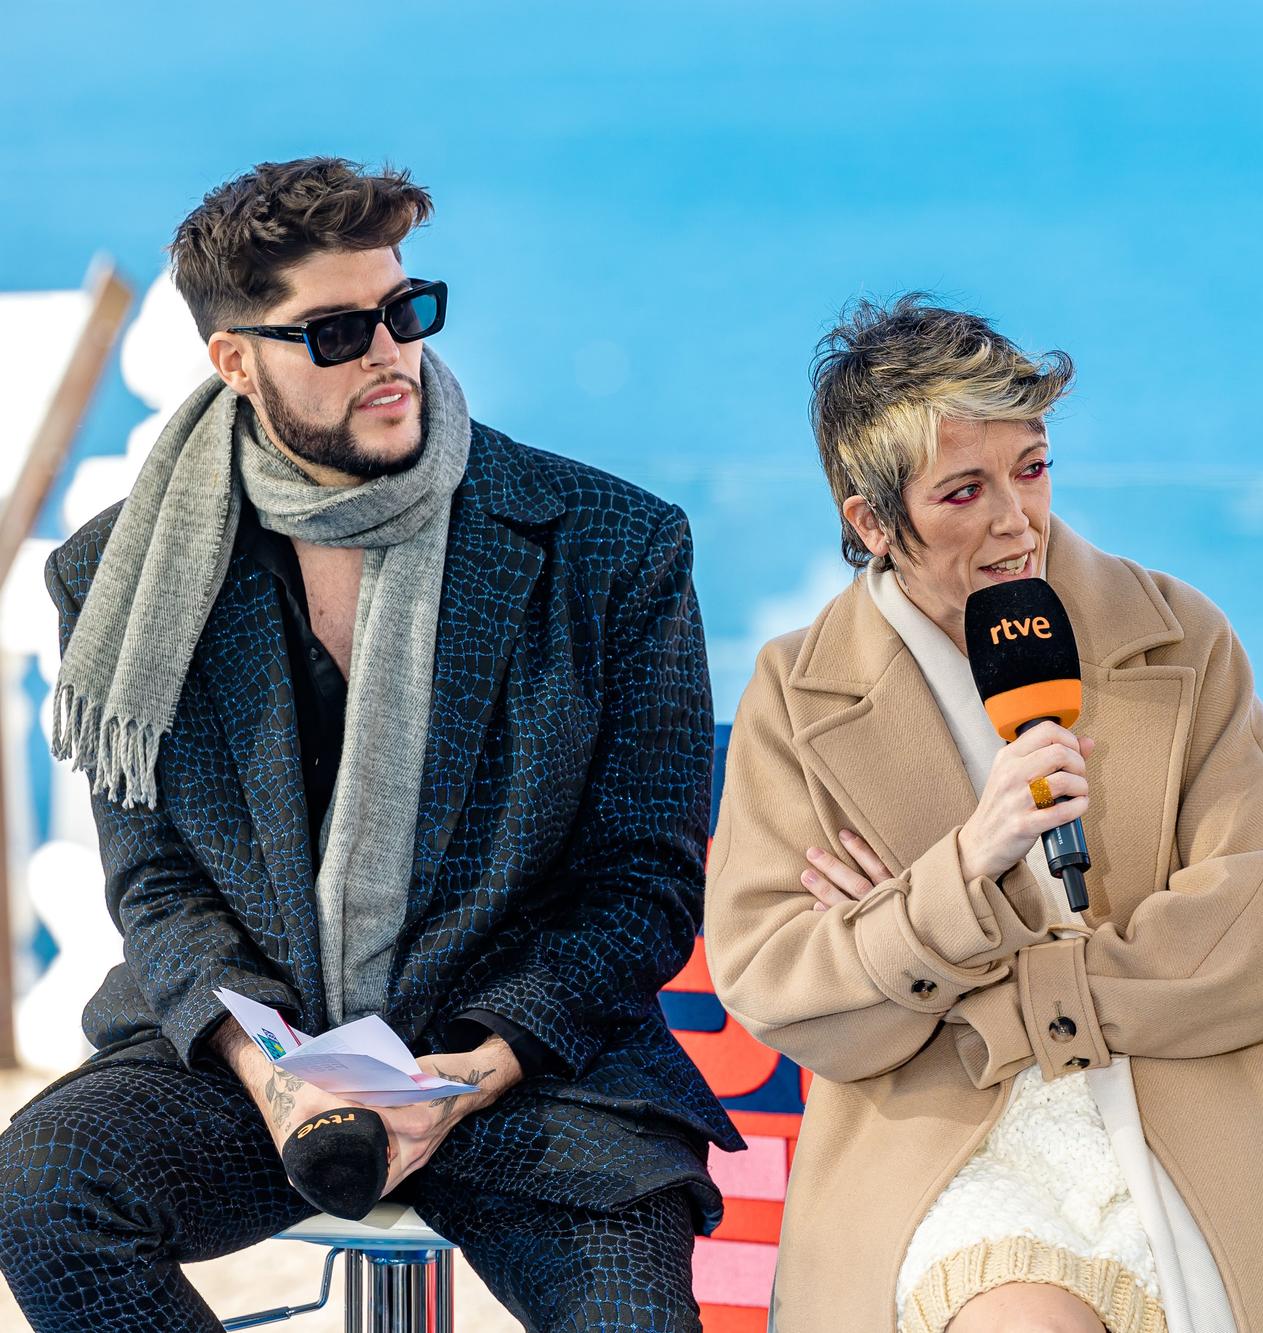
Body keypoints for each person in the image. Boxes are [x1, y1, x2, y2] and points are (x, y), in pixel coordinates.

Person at [0, 157, 739, 1332]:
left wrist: (478, 1065)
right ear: (234, 361)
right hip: (257, 1070)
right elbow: (157, 882)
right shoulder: (116, 577)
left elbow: (643, 887)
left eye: (405, 310)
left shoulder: (614, 546)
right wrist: (275, 1074)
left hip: (530, 1068)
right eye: (336, 333)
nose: (389, 353)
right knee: (43, 1188)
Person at [704, 295, 1263, 1332]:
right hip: (940, 1154)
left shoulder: (1179, 635)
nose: (1015, 518)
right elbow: (788, 992)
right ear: (870, 522)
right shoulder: (795, 691)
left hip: (1196, 1121)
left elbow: (1249, 949)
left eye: (1030, 469)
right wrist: (969, 862)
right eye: (963, 490)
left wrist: (932, 961)